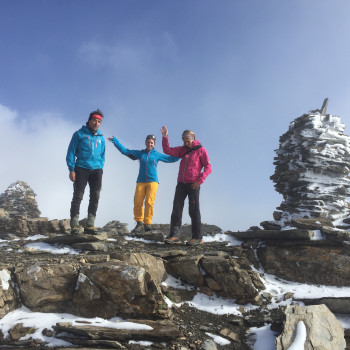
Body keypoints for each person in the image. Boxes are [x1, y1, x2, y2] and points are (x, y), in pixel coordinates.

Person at [108, 134, 179, 232]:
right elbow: (125, 151)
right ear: (145, 143)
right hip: (141, 181)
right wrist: (115, 141)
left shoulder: (157, 155)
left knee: (149, 202)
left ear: (154, 144)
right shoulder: (140, 153)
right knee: (137, 202)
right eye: (148, 142)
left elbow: (170, 159)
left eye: (152, 143)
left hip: (153, 181)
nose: (150, 144)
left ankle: (147, 224)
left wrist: (181, 155)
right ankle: (139, 223)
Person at [161, 126, 212, 245]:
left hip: (194, 184)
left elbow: (208, 167)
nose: (186, 143)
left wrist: (200, 180)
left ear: (193, 139)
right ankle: (174, 236)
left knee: (193, 210)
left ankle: (197, 237)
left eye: (187, 140)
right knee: (176, 208)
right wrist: (165, 137)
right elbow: (167, 150)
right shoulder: (182, 149)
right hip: (181, 183)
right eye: (184, 141)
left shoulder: (201, 150)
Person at [66, 109, 105, 234]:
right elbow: (71, 153)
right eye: (95, 120)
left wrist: (100, 167)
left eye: (99, 121)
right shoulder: (79, 134)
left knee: (95, 196)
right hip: (81, 168)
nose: (97, 123)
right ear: (89, 120)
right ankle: (74, 225)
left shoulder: (101, 138)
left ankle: (90, 225)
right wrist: (72, 169)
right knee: (78, 196)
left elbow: (103, 155)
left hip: (97, 170)